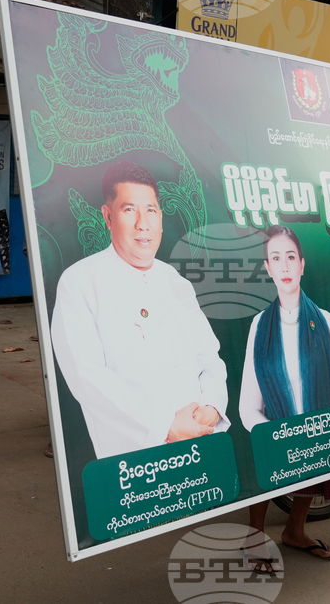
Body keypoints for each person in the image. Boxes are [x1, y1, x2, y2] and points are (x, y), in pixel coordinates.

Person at [50, 161, 229, 460]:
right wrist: (165, 425)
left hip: (198, 445)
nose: (142, 224)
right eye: (129, 209)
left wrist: (211, 406)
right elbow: (88, 377)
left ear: (160, 217)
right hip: (135, 462)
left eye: (151, 210)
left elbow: (208, 356)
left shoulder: (176, 282)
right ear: (108, 217)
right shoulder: (80, 282)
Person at [239, 225, 330, 569]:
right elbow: (247, 407)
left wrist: (323, 426)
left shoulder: (325, 321)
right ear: (267, 267)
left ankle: (294, 531)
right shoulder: (258, 326)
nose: (283, 266)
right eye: (275, 258)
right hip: (276, 435)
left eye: (290, 257)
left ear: (302, 265)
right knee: (266, 452)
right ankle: (255, 536)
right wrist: (277, 437)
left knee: (314, 453)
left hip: (319, 436)